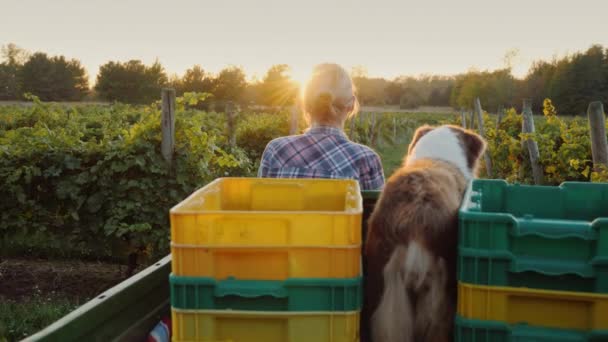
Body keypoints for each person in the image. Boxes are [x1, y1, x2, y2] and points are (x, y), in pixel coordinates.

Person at [258, 63, 385, 190]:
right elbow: (376, 209)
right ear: (351, 104)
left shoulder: (275, 150)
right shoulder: (367, 159)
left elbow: (259, 203)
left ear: (305, 104)